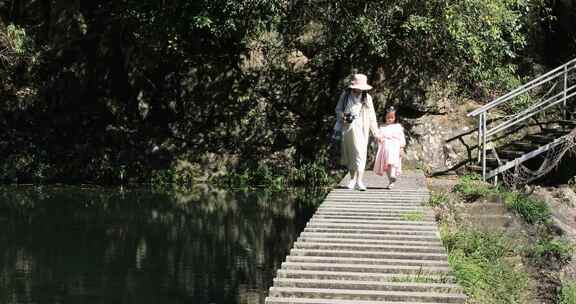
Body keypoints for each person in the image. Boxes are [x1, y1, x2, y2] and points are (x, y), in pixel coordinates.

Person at [335, 73, 380, 191]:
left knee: (360, 153)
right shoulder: (345, 95)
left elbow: (372, 116)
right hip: (348, 128)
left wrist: (375, 133)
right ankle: (352, 179)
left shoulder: (367, 97)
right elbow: (338, 109)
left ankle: (359, 181)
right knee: (351, 154)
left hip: (362, 128)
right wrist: (343, 116)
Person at [373, 107, 406, 189]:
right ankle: (391, 181)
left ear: (395, 118)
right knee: (386, 165)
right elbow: (378, 135)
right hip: (385, 148)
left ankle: (393, 175)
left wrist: (401, 147)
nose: (390, 119)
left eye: (392, 118)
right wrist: (379, 138)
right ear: (385, 117)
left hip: (395, 147)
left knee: (393, 162)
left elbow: (401, 137)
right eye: (388, 117)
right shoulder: (382, 127)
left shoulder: (398, 126)